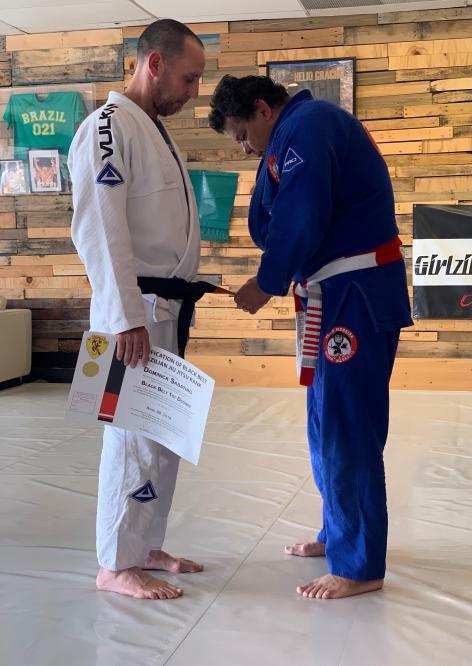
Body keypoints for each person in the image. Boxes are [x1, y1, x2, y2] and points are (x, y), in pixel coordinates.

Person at [209, 75, 413, 600]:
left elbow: (300, 217)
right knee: (325, 421)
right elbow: (274, 219)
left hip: (356, 294)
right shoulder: (293, 133)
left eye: (242, 135)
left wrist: (267, 282)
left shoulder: (311, 124)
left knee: (348, 426)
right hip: (335, 292)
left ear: (262, 108)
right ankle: (339, 531)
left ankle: (360, 565)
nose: (245, 147)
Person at [68, 19, 206, 600]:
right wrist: (124, 315)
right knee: (131, 439)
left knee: (162, 435)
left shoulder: (150, 128)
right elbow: (100, 228)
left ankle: (145, 545)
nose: (194, 91)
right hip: (134, 311)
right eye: (189, 78)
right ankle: (115, 563)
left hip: (163, 309)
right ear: (155, 64)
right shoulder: (107, 126)